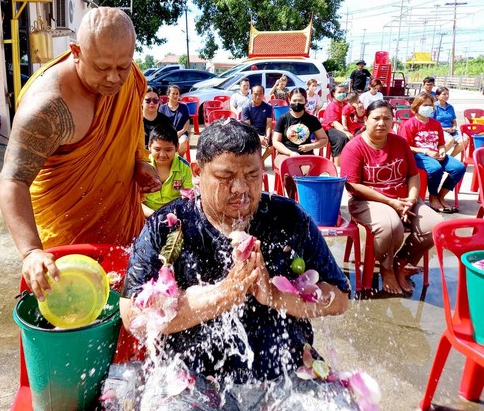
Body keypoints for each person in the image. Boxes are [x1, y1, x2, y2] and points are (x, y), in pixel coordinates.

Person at [121, 119, 350, 406]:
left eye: (253, 175)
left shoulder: (289, 219)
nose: (241, 189)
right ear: (197, 172)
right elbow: (133, 317)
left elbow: (340, 298)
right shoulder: (169, 225)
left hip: (287, 373)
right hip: (191, 377)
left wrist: (276, 297)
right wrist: (225, 293)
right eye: (225, 176)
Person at [0, 7, 161, 300]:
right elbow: (13, 182)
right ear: (76, 52)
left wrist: (139, 161)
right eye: (101, 68)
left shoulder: (131, 80)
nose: (114, 78)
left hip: (125, 232)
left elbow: (134, 124)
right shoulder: (48, 107)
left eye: (122, 66)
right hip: (67, 248)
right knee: (75, 321)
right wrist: (31, 252)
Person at [341, 100, 443, 295]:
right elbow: (352, 185)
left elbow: (413, 175)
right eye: (376, 118)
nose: (381, 123)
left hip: (404, 199)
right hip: (368, 201)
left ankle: (401, 262)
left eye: (386, 118)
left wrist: (412, 199)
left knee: (436, 226)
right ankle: (386, 268)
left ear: (393, 121)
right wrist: (390, 202)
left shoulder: (400, 143)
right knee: (390, 225)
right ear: (366, 119)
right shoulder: (354, 147)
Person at [398, 92, 466, 213]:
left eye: (430, 105)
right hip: (419, 155)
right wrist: (426, 151)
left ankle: (441, 196)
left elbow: (440, 142)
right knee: (435, 169)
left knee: (459, 168)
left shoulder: (436, 124)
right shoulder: (409, 124)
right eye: (424, 105)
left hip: (436, 153)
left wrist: (442, 150)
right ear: (416, 106)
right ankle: (433, 196)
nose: (428, 108)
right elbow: (406, 147)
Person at [141, 124, 193, 218]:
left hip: (175, 215)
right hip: (146, 215)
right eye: (157, 149)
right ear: (149, 146)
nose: (162, 155)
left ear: (177, 148)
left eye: (168, 150)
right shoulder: (143, 167)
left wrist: (172, 217)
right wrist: (155, 216)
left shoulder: (185, 167)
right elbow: (135, 201)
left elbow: (188, 198)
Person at [272, 88, 328, 171]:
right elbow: (276, 142)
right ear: (289, 100)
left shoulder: (312, 120)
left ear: (305, 101)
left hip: (307, 156)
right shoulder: (283, 119)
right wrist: (290, 153)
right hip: (285, 155)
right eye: (294, 100)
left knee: (309, 170)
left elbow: (324, 140)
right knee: (292, 169)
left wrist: (311, 146)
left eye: (300, 100)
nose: (297, 103)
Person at [321, 85, 353, 166]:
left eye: (343, 92)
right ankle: (337, 165)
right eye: (339, 92)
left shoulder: (346, 104)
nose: (342, 94)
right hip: (330, 128)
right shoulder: (332, 106)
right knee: (342, 137)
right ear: (333, 94)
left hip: (344, 126)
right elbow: (334, 123)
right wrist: (346, 132)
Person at [241, 84, 274, 164]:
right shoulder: (246, 107)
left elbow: (269, 123)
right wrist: (259, 137)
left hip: (263, 130)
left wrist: (268, 136)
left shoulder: (268, 107)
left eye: (260, 94)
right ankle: (256, 162)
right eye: (255, 94)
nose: (258, 97)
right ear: (251, 94)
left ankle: (261, 160)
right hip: (250, 131)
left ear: (263, 95)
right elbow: (248, 126)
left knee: (275, 144)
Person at [159, 84, 190, 157]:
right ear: (168, 95)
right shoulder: (162, 108)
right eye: (173, 93)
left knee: (183, 141)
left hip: (181, 133)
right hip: (167, 133)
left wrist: (181, 132)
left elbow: (187, 122)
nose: (175, 96)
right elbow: (160, 123)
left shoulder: (183, 107)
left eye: (177, 94)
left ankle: (179, 158)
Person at [432, 86, 463, 157]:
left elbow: (454, 121)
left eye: (448, 94)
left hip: (451, 130)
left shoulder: (450, 107)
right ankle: (438, 156)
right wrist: (445, 129)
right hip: (440, 130)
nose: (447, 96)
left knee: (464, 140)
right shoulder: (434, 107)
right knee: (450, 140)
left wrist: (454, 127)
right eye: (444, 94)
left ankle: (450, 158)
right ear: (437, 96)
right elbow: (431, 123)